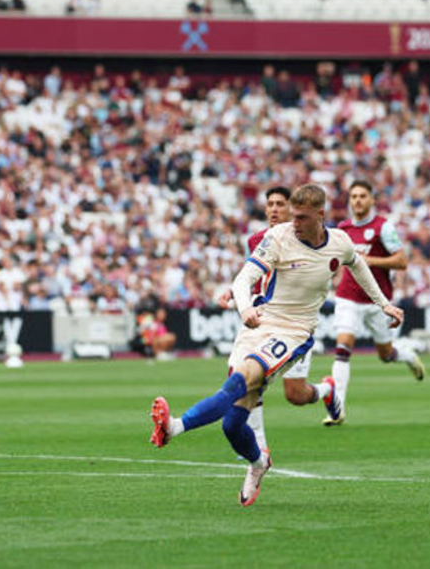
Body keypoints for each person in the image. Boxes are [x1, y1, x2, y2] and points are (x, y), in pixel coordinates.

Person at [150, 184, 404, 506]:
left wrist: (383, 304)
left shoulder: (339, 241)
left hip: (294, 332)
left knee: (242, 382)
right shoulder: (277, 237)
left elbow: (357, 264)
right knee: (232, 424)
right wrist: (245, 308)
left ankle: (174, 428)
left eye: (300, 217)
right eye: (290, 215)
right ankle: (258, 462)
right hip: (259, 322)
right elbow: (243, 279)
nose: (292, 222)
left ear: (320, 216)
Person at [327, 180, 425, 426]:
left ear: (372, 200)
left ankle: (407, 355)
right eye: (353, 196)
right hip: (347, 296)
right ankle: (336, 409)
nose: (357, 200)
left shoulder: (383, 227)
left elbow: (402, 261)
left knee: (386, 354)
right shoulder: (343, 228)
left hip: (378, 300)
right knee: (343, 346)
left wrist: (370, 261)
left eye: (362, 196)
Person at [218, 185, 292, 457]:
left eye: (280, 204)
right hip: (261, 318)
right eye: (270, 204)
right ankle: (259, 444)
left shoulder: (302, 240)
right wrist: (236, 293)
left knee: (297, 394)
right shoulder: (257, 240)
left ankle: (326, 390)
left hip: (291, 323)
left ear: (292, 209)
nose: (273, 209)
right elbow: (253, 277)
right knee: (242, 374)